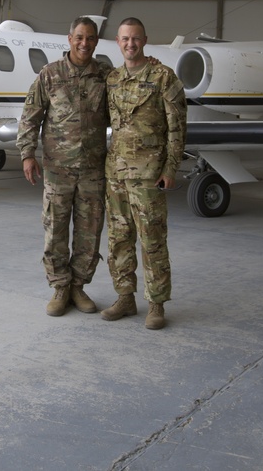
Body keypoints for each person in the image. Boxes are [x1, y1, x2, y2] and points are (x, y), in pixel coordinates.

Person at [16, 16, 110, 316]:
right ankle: (59, 287)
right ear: (69, 39)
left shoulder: (105, 76)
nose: (85, 43)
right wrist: (27, 154)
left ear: (96, 42)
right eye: (79, 37)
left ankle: (79, 287)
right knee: (55, 229)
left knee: (90, 232)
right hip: (58, 170)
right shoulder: (51, 74)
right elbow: (31, 115)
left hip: (93, 170)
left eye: (90, 38)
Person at [100, 17, 187, 330]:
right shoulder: (111, 79)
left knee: (152, 241)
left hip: (149, 175)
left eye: (135, 39)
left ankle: (156, 304)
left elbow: (177, 127)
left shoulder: (163, 77)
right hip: (116, 176)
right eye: (125, 39)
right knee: (118, 240)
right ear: (118, 41)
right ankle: (125, 298)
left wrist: (171, 167)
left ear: (144, 40)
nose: (130, 44)